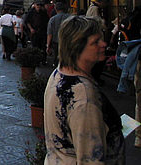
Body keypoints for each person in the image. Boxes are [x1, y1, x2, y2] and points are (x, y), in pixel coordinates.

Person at [44, 15, 125, 164]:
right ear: (77, 47)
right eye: (95, 42)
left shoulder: (59, 73)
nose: (103, 44)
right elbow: (91, 158)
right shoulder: (83, 95)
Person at [46, 1, 70, 67]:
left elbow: (50, 34)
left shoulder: (53, 19)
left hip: (56, 41)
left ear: (56, 9)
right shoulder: (70, 18)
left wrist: (48, 46)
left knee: (57, 56)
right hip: (68, 41)